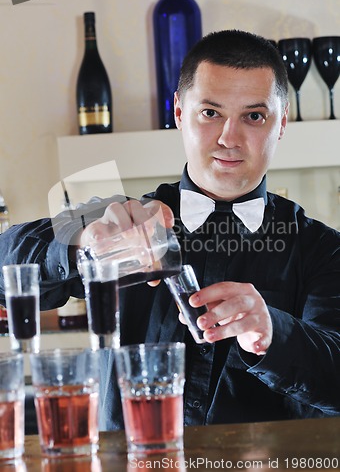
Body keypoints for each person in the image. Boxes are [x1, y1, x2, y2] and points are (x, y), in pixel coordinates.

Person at [0, 30, 339, 430]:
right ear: (179, 112)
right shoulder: (117, 220)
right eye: (210, 113)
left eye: (254, 116)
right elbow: (6, 260)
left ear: (281, 123)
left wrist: (272, 332)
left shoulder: (324, 249)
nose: (229, 139)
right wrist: (82, 243)